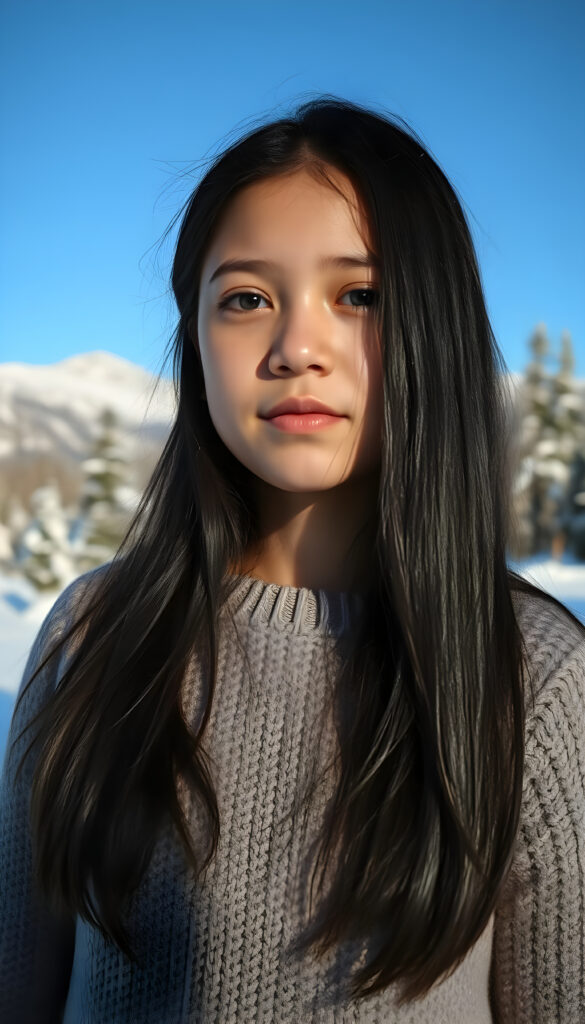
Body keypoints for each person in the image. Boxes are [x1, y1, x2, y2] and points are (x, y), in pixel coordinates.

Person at [1, 96, 583, 1024]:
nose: (295, 349)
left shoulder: (531, 674)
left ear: (434, 321)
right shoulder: (91, 638)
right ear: (194, 337)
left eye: (359, 294)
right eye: (245, 299)